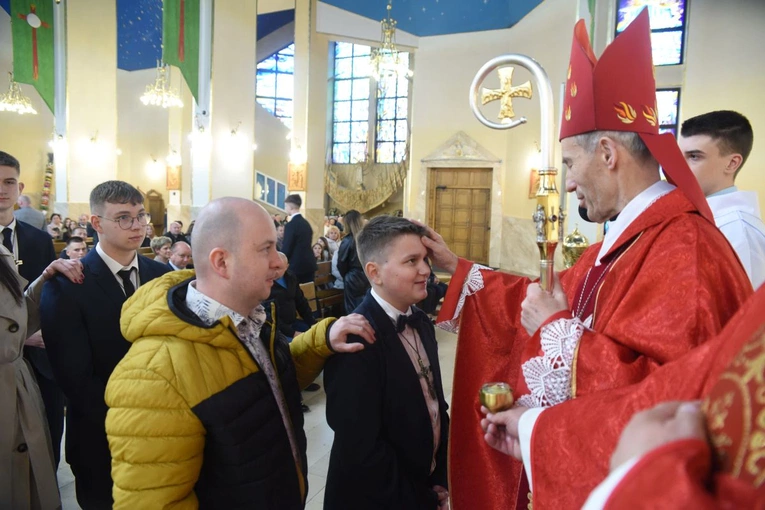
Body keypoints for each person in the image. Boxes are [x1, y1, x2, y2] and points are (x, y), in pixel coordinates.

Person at [421, 11, 753, 509]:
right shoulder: (623, 241)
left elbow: (677, 408)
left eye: (570, 163)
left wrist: (558, 332)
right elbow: (539, 297)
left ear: (607, 152)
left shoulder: (687, 251)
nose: (567, 182)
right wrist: (461, 268)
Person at [104, 197, 376, 509]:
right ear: (221, 262)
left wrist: (322, 339)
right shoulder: (151, 376)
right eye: (266, 249)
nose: (280, 261)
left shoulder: (245, 318)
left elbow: (263, 386)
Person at [39, 181, 171, 509]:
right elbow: (73, 375)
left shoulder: (160, 276)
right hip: (101, 434)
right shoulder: (69, 283)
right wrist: (129, 422)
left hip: (164, 427)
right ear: (96, 223)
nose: (137, 225)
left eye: (141, 216)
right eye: (124, 218)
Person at [324, 216, 450, 509]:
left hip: (422, 482)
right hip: (378, 498)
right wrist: (422, 498)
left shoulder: (420, 321)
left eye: (424, 259)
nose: (426, 271)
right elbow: (362, 451)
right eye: (411, 261)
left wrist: (440, 474)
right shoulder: (355, 339)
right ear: (375, 272)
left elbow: (435, 404)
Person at [0, 245, 83, 510]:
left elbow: (18, 318)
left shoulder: (2, 253)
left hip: (15, 385)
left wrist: (46, 277)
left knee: (26, 480)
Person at [0, 151, 65, 470]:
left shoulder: (38, 240)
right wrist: (19, 336)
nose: (2, 189)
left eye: (9, 181)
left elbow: (48, 297)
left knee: (46, 440)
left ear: (20, 186)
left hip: (40, 359)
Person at [679, 110, 765, 288]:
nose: (680, 167)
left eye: (694, 157)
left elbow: (742, 311)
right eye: (680, 156)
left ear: (732, 163)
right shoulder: (700, 217)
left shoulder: (738, 231)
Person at [265, 252, 316, 338]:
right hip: (277, 330)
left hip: (294, 322)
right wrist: (292, 333)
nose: (275, 272)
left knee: (315, 337)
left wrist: (312, 323)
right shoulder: (265, 284)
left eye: (279, 268)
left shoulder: (291, 278)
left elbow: (301, 302)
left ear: (286, 267)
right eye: (272, 267)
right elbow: (268, 316)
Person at [337, 210, 370, 313]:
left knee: (353, 309)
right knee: (366, 306)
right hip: (367, 275)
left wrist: (346, 276)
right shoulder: (366, 239)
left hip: (353, 277)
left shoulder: (347, 240)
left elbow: (341, 263)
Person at [282, 194, 317, 283]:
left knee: (295, 295)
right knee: (308, 294)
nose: (285, 208)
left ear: (290, 207)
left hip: (296, 267)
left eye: (286, 206)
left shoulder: (291, 225)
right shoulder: (306, 223)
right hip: (309, 265)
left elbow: (287, 248)